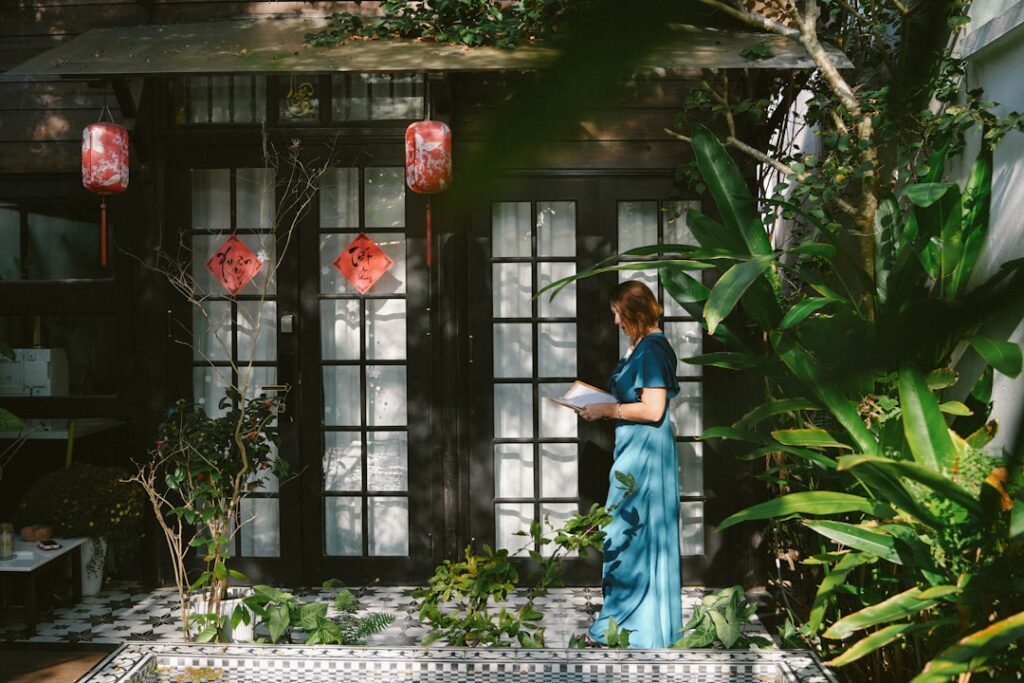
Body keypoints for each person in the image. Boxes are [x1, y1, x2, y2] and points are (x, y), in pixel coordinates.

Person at [579, 280, 681, 648]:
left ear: (634, 313)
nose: (615, 321)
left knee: (629, 530)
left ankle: (629, 623)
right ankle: (635, 620)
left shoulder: (652, 349)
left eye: (618, 314)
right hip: (634, 448)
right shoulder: (639, 346)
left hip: (646, 452)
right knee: (628, 530)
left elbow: (653, 409)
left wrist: (607, 410)